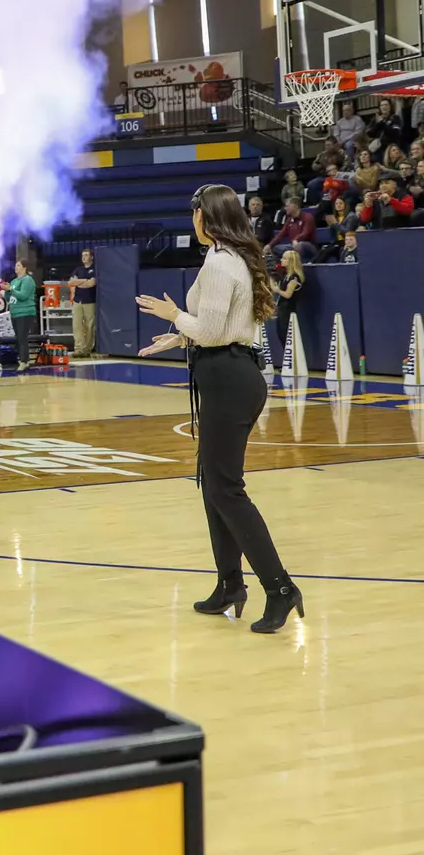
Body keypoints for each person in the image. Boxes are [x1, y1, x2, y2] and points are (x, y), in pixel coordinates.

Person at [137, 184, 303, 634]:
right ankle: (230, 584)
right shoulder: (235, 258)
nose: (191, 220)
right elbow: (221, 326)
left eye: (193, 213)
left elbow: (211, 331)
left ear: (204, 218)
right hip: (233, 374)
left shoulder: (218, 262)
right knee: (214, 484)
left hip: (229, 378)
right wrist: (179, 335)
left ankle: (280, 588)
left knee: (226, 488)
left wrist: (174, 317)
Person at [3, 259, 39, 371]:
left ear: (24, 268)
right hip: (15, 312)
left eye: (18, 265)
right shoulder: (13, 281)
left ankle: (23, 361)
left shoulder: (27, 280)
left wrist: (11, 289)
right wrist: (7, 291)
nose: (16, 267)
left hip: (25, 312)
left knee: (22, 337)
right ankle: (25, 359)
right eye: (15, 265)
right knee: (19, 337)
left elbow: (23, 295)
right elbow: (9, 298)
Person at [68, 248, 98, 358]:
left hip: (90, 301)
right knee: (77, 326)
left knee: (90, 326)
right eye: (82, 255)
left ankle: (87, 349)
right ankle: (79, 349)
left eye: (86, 255)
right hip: (77, 301)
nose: (84, 257)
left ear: (91, 257)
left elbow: (91, 284)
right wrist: (84, 281)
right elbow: (71, 282)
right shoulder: (78, 269)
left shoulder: (95, 269)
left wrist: (79, 282)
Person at [273, 247, 304, 350]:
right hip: (282, 308)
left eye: (284, 258)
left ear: (290, 261)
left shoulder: (294, 277)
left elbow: (288, 294)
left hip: (288, 310)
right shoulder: (285, 275)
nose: (281, 260)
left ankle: (291, 359)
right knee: (280, 335)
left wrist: (277, 290)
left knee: (286, 336)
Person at [269, 196, 317, 261]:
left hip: (309, 246)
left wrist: (296, 239)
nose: (285, 208)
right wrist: (269, 245)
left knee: (301, 245)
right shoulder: (289, 221)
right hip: (293, 246)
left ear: (294, 206)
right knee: (275, 248)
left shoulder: (308, 217)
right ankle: (287, 262)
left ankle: (298, 264)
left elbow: (306, 233)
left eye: (287, 206)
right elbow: (280, 235)